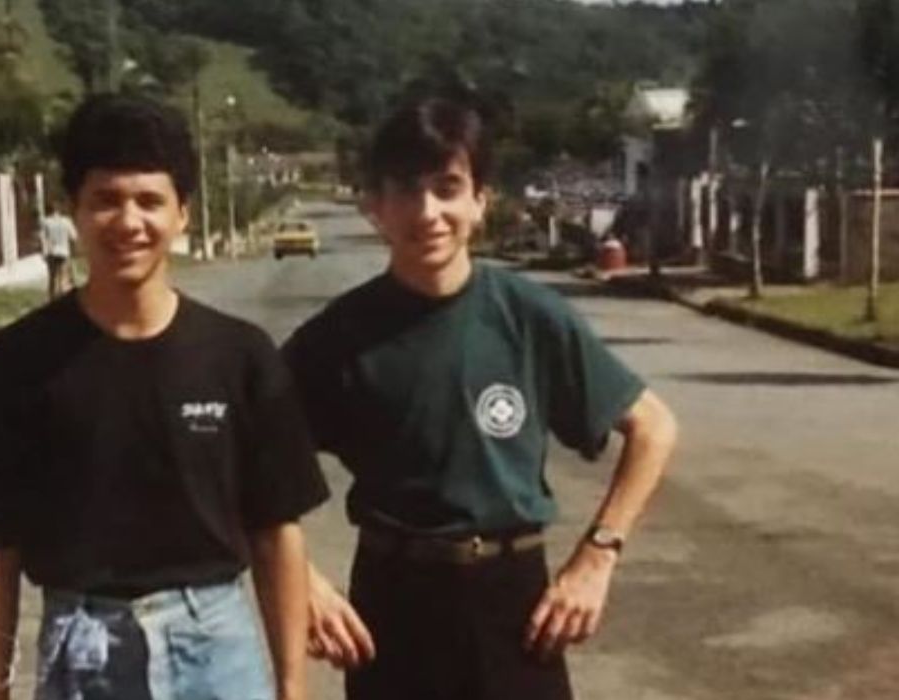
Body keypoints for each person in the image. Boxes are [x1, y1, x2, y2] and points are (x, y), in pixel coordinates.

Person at [0, 94, 329, 700]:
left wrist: (294, 687)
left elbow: (278, 533)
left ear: (183, 214)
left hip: (216, 648)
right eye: (106, 200)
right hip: (81, 649)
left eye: (149, 201)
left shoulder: (240, 356)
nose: (128, 222)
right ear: (74, 211)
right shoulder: (12, 363)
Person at [282, 91, 679, 700]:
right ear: (374, 206)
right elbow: (242, 466)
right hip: (392, 606)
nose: (428, 211)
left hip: (514, 605)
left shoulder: (529, 316)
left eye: (447, 187)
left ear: (480, 201)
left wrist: (597, 557)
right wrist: (302, 583)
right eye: (406, 190)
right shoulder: (336, 339)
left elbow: (653, 427)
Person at [40, 204, 78, 299]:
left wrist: (44, 252)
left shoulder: (46, 222)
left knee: (52, 278)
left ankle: (52, 298)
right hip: (64, 252)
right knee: (63, 278)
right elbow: (74, 236)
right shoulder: (66, 221)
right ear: (59, 211)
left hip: (51, 252)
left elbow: (43, 238)